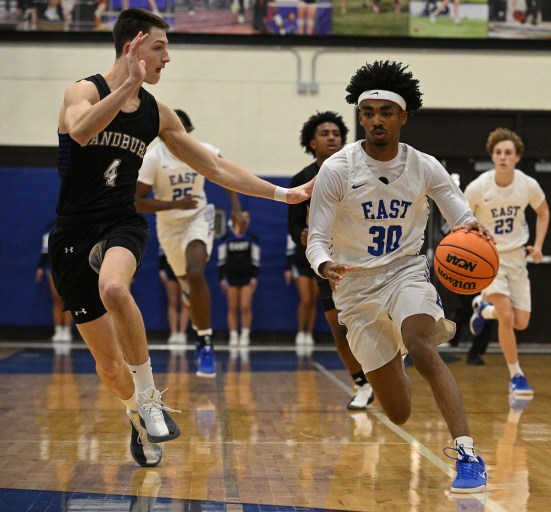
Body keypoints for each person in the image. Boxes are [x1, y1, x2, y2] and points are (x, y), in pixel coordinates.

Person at [49, 8, 312, 468]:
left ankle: (150, 397)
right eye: (159, 47)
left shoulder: (157, 112)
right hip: (73, 231)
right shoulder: (83, 90)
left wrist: (281, 193)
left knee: (114, 287)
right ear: (132, 47)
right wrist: (128, 84)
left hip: (120, 224)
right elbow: (82, 130)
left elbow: (214, 167)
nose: (167, 58)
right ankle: (135, 412)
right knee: (109, 367)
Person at [306, 60, 490, 493]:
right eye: (367, 113)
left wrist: (470, 227)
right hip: (354, 288)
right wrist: (324, 264)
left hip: (405, 273)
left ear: (403, 116)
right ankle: (392, 355)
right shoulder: (337, 169)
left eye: (385, 112)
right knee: (399, 412)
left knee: (424, 347)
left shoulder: (424, 166)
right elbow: (315, 238)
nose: (375, 121)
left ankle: (468, 454)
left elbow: (458, 213)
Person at [136, 108, 245, 378]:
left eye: (181, 130)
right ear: (161, 134)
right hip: (169, 225)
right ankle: (190, 296)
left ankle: (204, 343)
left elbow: (226, 174)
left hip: (199, 215)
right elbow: (136, 202)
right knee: (187, 283)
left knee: (196, 272)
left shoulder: (203, 150)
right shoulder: (153, 158)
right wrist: (175, 203)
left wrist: (236, 208)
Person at [289, 110, 374, 411]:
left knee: (373, 321)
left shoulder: (359, 172)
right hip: (328, 261)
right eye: (325, 134)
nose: (331, 137)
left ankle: (383, 369)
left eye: (336, 133)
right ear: (312, 142)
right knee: (338, 328)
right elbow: (294, 224)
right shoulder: (301, 180)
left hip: (363, 256)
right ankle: (361, 383)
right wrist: (301, 234)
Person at [465, 127, 549, 396]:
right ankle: (516, 376)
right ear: (492, 156)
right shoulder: (478, 187)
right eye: (498, 152)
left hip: (517, 257)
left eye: (508, 153)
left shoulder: (527, 185)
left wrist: (538, 245)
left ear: (517, 158)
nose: (503, 157)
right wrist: (473, 244)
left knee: (520, 322)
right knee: (507, 314)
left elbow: (543, 212)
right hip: (490, 257)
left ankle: (482, 309)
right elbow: (462, 218)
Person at [217, 211, 259, 347]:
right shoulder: (226, 238)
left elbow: (256, 261)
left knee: (245, 306)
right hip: (231, 277)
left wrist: (254, 278)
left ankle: (245, 335)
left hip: (247, 277)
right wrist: (221, 278)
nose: (246, 221)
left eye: (248, 219)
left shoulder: (252, 238)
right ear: (235, 219)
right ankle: (234, 335)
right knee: (232, 307)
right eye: (244, 218)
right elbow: (221, 260)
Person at [35, 223, 73, 343]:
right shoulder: (50, 235)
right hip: (53, 270)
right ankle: (58, 330)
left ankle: (67, 330)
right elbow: (45, 253)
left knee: (68, 300)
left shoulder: (73, 233)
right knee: (57, 298)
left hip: (68, 270)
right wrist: (40, 268)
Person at [157, 246, 189, 344]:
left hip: (185, 272)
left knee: (184, 302)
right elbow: (161, 257)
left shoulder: (188, 236)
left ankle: (182, 333)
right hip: (170, 271)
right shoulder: (166, 235)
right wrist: (162, 271)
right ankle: (174, 332)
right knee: (173, 302)